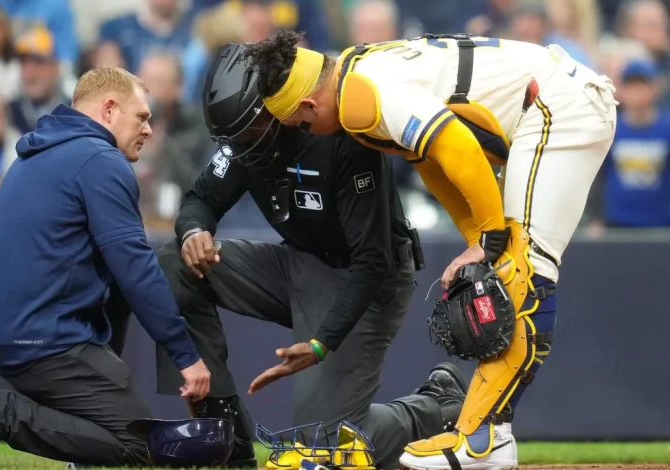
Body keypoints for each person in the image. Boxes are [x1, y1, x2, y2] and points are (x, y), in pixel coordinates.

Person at [243, 30, 617, 470]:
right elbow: (433, 162)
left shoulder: (359, 96)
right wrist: (479, 239)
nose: (305, 133)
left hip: (557, 106)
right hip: (549, 104)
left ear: (308, 106)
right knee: (509, 270)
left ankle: (482, 439)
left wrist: (492, 236)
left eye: (299, 124)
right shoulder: (350, 74)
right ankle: (485, 434)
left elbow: (456, 146)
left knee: (523, 276)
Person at [153, 42, 468, 470]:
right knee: (175, 262)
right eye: (230, 139)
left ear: (276, 109)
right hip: (298, 265)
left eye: (247, 132)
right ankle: (223, 433)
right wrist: (194, 230)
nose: (238, 147)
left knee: (319, 449)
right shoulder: (245, 142)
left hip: (367, 281)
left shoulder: (339, 132)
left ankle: (436, 409)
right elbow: (200, 198)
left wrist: (322, 344)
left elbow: (372, 260)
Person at [0, 66, 210, 469]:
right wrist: (186, 356)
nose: (149, 130)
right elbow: (137, 269)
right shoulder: (99, 160)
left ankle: (80, 450)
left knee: (122, 421)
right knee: (143, 443)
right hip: (39, 336)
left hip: (11, 326)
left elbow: (121, 284)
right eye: (142, 117)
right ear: (108, 110)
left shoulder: (45, 150)